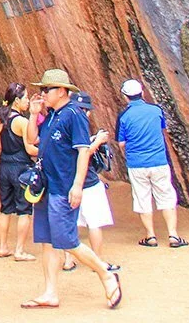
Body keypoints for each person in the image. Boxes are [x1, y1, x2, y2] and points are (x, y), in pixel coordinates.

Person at [21, 69, 122, 310]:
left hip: (63, 188)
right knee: (47, 241)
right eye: (43, 89)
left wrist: (77, 186)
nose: (43, 94)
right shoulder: (53, 114)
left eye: (48, 89)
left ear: (63, 91)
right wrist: (34, 115)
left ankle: (105, 274)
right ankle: (50, 292)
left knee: (67, 241)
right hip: (46, 186)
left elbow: (82, 151)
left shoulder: (74, 115)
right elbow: (32, 139)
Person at [116, 79, 188, 248]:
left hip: (136, 164)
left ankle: (150, 236)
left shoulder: (124, 117)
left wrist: (127, 155)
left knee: (142, 198)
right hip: (158, 161)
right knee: (166, 196)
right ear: (142, 93)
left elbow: (121, 143)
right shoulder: (156, 111)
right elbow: (161, 129)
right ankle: (173, 235)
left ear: (125, 97)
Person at [63, 92, 118, 273]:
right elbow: (83, 154)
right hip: (87, 182)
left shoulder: (62, 123)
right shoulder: (80, 124)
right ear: (87, 113)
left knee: (71, 223)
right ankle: (98, 262)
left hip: (66, 181)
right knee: (94, 223)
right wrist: (98, 142)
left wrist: (92, 140)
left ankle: (68, 260)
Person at [0, 82, 38, 261]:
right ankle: (19, 250)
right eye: (26, 98)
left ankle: (3, 247)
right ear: (17, 101)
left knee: (5, 209)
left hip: (4, 167)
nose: (27, 101)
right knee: (24, 211)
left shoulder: (0, 120)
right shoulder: (22, 121)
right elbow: (30, 148)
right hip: (21, 168)